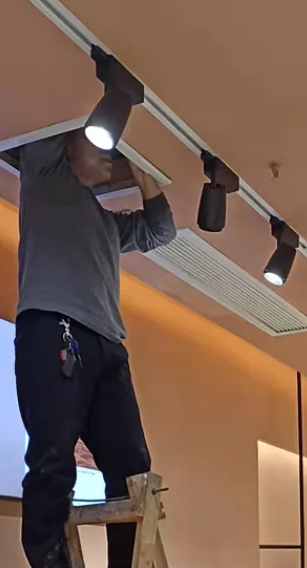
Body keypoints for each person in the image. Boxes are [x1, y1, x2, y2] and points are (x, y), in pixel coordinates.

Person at [15, 130, 176, 568]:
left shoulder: (109, 224)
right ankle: (50, 561)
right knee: (53, 456)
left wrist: (142, 167)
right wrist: (88, 119)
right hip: (54, 328)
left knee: (133, 469)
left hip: (108, 346)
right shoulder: (44, 176)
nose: (109, 156)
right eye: (99, 145)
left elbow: (161, 230)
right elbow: (53, 114)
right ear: (69, 148)